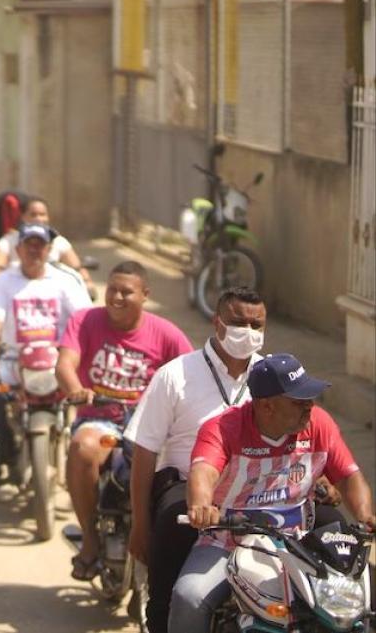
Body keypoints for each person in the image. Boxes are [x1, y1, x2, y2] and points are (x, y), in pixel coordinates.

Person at [170, 354, 372, 633]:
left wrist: (366, 516)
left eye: (310, 399)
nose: (309, 407)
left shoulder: (319, 425)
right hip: (227, 542)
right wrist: (202, 505)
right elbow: (203, 472)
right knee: (189, 596)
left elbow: (349, 476)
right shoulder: (222, 428)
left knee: (359, 602)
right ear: (267, 406)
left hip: (302, 545)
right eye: (299, 401)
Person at [122, 286, 266, 633]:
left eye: (257, 325)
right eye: (238, 322)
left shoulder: (271, 377)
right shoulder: (174, 376)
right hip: (186, 489)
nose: (248, 333)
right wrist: (140, 527)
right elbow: (144, 453)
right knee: (169, 581)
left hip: (259, 488)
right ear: (217, 323)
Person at [57, 262, 193, 581]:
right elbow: (65, 363)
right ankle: (90, 541)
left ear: (145, 295)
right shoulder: (85, 320)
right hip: (102, 423)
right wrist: (76, 389)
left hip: (150, 426)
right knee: (82, 448)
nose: (116, 297)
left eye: (126, 291)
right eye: (112, 289)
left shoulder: (167, 334)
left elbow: (193, 374)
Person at [0, 223, 92, 469]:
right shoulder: (3, 281)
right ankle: (2, 459)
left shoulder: (65, 280)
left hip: (57, 360)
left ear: (49, 249)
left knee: (88, 397)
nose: (34, 250)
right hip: (13, 360)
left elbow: (84, 319)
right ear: (17, 249)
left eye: (39, 245)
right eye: (28, 245)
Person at [0, 196, 94, 295]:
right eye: (33, 214)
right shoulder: (9, 241)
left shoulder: (58, 242)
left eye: (42, 215)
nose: (38, 218)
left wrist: (87, 283)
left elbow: (77, 268)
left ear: (49, 248)